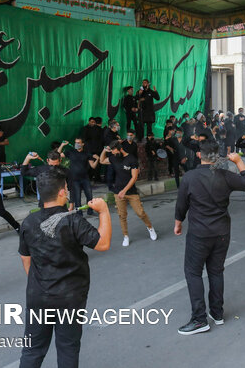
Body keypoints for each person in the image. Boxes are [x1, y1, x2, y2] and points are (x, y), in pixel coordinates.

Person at [18, 168, 112, 368]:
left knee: (32, 350)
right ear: (61, 192)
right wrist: (103, 211)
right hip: (69, 298)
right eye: (66, 188)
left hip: (38, 296)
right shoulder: (72, 220)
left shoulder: (28, 222)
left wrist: (40, 284)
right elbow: (103, 244)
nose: (68, 190)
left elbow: (25, 259)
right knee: (67, 347)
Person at [174, 141, 245, 335]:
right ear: (218, 157)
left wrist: (178, 222)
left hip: (199, 234)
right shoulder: (225, 176)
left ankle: (199, 319)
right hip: (221, 233)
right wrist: (239, 161)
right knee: (216, 271)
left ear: (200, 155)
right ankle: (217, 313)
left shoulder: (190, 177)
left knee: (193, 273)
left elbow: (181, 204)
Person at [100, 140, 157, 247]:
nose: (113, 153)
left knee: (140, 212)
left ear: (120, 149)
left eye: (114, 151)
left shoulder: (131, 159)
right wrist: (104, 150)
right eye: (111, 151)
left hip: (131, 192)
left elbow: (134, 177)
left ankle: (150, 228)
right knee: (122, 215)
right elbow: (102, 161)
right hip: (118, 192)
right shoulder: (114, 157)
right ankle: (125, 236)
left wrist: (124, 190)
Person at [59, 138, 99, 216]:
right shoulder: (70, 152)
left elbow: (93, 166)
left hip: (85, 178)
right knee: (77, 197)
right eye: (75, 143)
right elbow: (58, 155)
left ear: (83, 144)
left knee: (89, 195)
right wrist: (62, 145)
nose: (76, 144)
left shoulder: (87, 153)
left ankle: (90, 211)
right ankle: (78, 213)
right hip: (74, 179)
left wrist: (97, 159)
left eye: (78, 143)